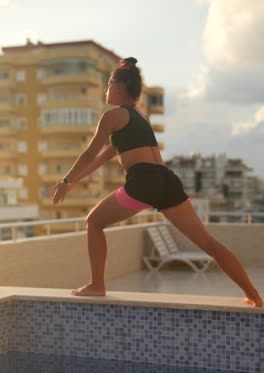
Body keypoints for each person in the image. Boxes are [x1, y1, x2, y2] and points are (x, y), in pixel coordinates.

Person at [52, 57, 263, 307]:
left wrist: (67, 180)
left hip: (143, 181)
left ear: (121, 87)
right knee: (207, 242)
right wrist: (72, 182)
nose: (106, 89)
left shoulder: (112, 116)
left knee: (94, 222)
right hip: (166, 180)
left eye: (109, 84)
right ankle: (254, 294)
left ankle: (97, 285)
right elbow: (100, 159)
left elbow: (88, 154)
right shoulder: (140, 119)